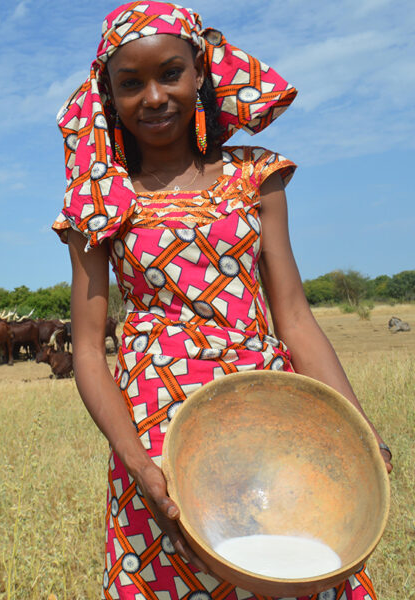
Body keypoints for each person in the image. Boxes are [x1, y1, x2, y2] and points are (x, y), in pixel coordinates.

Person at [50, 3, 393, 599]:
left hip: (273, 419)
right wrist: (139, 466)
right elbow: (86, 349)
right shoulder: (99, 202)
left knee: (296, 567)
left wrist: (354, 424)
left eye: (170, 73)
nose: (154, 97)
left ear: (201, 74)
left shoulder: (256, 178)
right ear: (109, 93)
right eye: (131, 83)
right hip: (160, 435)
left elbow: (294, 317)